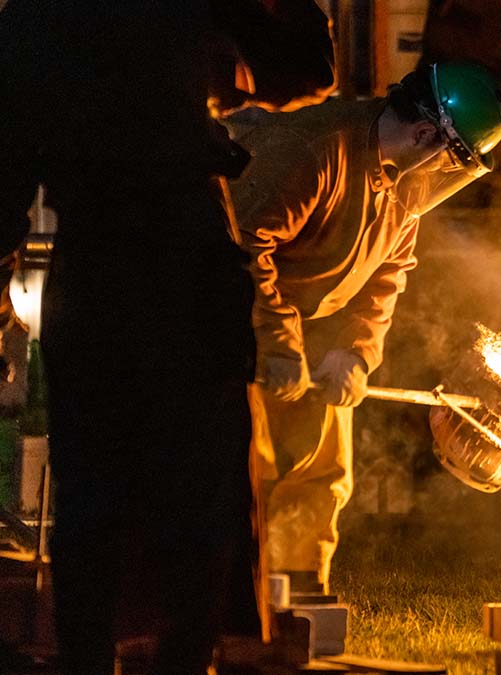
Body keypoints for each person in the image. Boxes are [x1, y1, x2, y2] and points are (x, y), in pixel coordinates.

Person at [0, 1, 334, 672]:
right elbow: (304, 73)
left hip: (96, 275)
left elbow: (8, 167)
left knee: (93, 491)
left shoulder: (31, 21)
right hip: (186, 267)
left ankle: (90, 656)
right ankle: (181, 656)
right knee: (200, 490)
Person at [225, 61, 501, 598]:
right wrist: (276, 345)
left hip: (298, 319)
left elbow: (389, 272)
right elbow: (242, 245)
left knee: (323, 467)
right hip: (225, 314)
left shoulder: (404, 183)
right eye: (453, 158)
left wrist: (355, 351)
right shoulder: (314, 152)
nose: (444, 173)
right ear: (426, 134)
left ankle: (298, 600)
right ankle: (229, 604)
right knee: (245, 465)